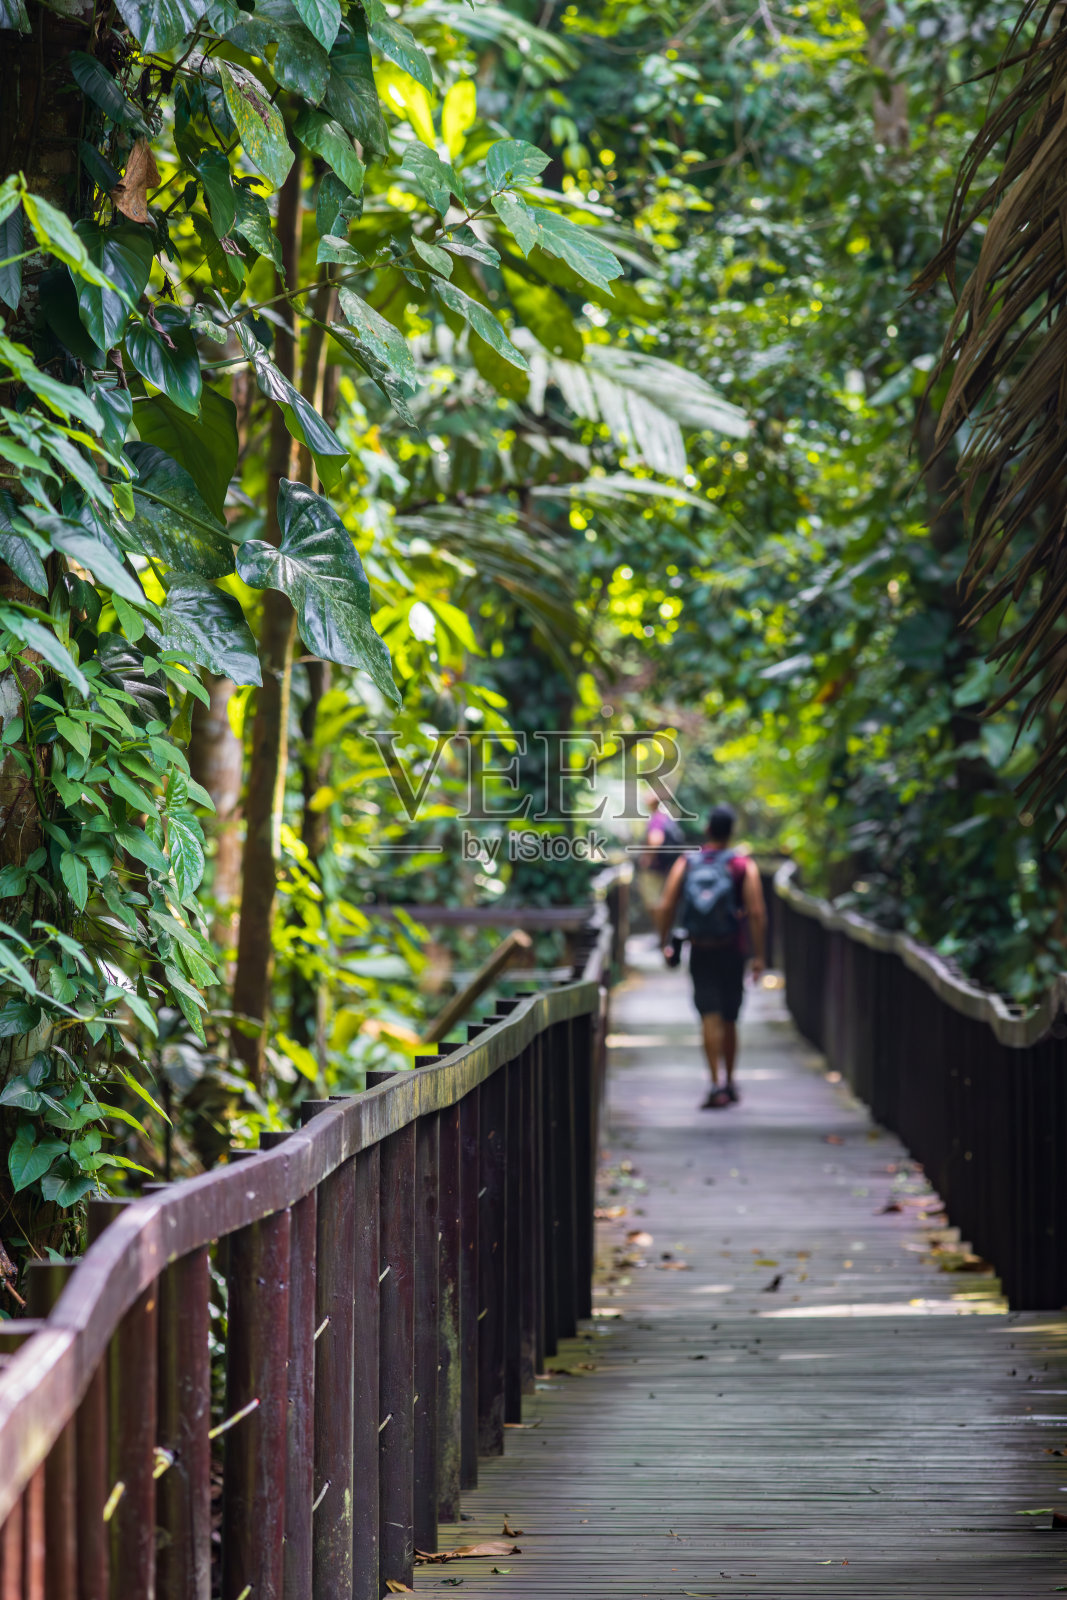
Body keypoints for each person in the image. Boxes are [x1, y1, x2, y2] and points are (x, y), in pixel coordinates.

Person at [656, 803, 767, 1110]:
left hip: (700, 949)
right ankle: (730, 1082)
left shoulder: (688, 862)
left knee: (709, 1015)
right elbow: (756, 912)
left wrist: (664, 942)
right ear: (731, 833)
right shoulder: (742, 865)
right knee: (730, 1017)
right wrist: (759, 956)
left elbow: (666, 904)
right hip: (733, 949)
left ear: (707, 830)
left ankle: (714, 1082)